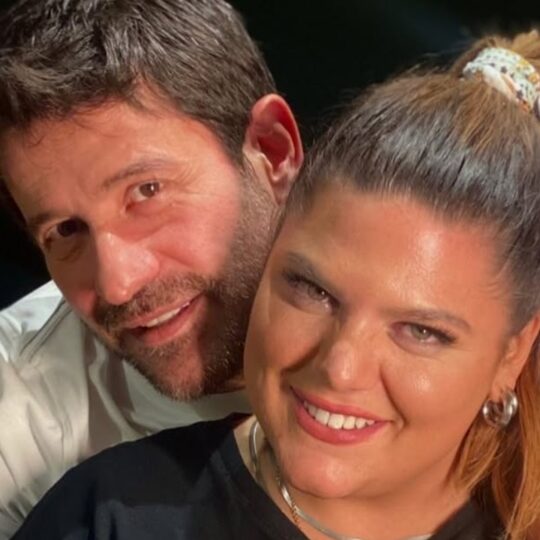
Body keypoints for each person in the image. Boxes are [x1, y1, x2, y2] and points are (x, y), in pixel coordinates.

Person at [12, 29, 540, 540]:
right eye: (315, 291)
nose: (340, 367)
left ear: (511, 356)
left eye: (422, 331)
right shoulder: (102, 509)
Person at [0, 0, 303, 536]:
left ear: (271, 151)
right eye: (65, 231)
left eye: (147, 191)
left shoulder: (429, 298)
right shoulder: (18, 415)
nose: (118, 284)